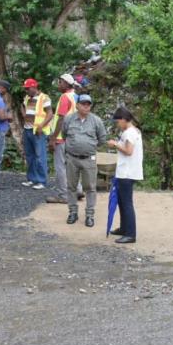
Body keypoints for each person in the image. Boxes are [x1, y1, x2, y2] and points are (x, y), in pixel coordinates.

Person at [61, 94, 106, 227]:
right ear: (77, 105)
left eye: (88, 104)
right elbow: (64, 135)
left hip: (89, 159)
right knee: (71, 186)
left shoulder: (96, 121)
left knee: (90, 188)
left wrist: (89, 147)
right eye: (83, 104)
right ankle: (73, 213)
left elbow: (102, 139)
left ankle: (89, 215)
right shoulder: (69, 119)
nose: (86, 106)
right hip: (72, 158)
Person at [107, 107, 143, 244]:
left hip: (127, 173)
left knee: (127, 203)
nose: (117, 125)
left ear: (123, 120)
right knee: (122, 201)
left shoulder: (129, 133)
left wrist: (115, 144)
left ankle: (130, 234)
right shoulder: (133, 131)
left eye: (117, 122)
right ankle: (124, 228)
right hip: (126, 172)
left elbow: (129, 151)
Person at [46, 74, 79, 204]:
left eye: (60, 82)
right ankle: (78, 190)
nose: (59, 85)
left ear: (66, 83)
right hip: (73, 136)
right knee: (72, 166)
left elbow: (61, 118)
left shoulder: (65, 97)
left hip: (61, 137)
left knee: (60, 167)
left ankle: (63, 195)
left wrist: (53, 138)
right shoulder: (76, 96)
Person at [21, 78, 53, 190]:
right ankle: (31, 179)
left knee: (40, 156)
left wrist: (41, 125)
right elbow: (23, 107)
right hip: (27, 129)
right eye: (25, 89)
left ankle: (41, 181)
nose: (26, 91)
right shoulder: (27, 98)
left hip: (38, 131)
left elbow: (50, 114)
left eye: (28, 88)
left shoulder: (44, 98)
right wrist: (24, 114)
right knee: (30, 156)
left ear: (34, 87)